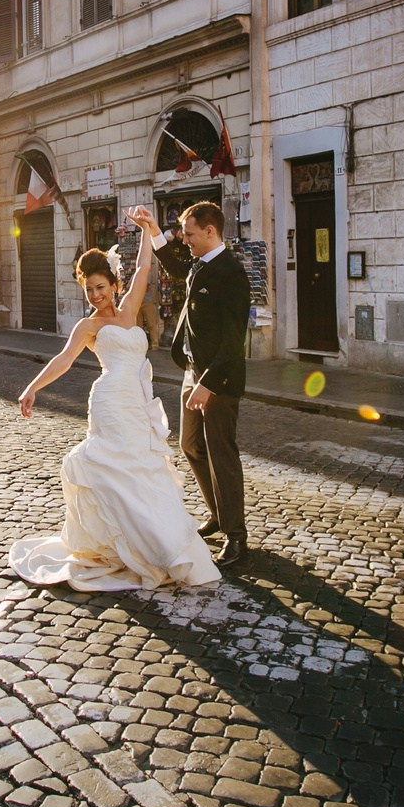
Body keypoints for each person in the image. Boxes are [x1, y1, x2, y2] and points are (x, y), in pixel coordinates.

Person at [11, 206, 220, 592]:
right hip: (109, 402)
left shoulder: (128, 312)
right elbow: (64, 359)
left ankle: (161, 545)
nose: (94, 295)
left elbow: (144, 269)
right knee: (115, 471)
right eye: (88, 289)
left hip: (136, 405)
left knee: (143, 471)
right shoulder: (88, 326)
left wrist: (146, 228)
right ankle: (125, 544)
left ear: (113, 284)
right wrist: (33, 387)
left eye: (100, 287)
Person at [151, 202, 251, 565]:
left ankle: (236, 536)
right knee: (191, 445)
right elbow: (177, 268)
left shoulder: (231, 272)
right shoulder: (199, 264)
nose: (186, 241)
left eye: (190, 234)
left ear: (210, 231)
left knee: (221, 453)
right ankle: (217, 514)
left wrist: (208, 383)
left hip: (218, 379)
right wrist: (152, 230)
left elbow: (233, 339)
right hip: (192, 371)